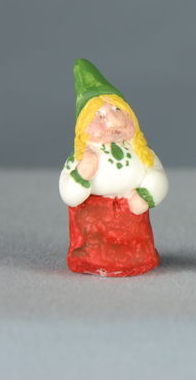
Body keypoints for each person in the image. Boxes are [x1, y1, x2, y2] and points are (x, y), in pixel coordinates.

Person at [59, 59, 168, 277]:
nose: (115, 122)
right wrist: (82, 174)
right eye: (100, 116)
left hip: (131, 214)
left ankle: (140, 259)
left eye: (119, 110)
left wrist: (146, 195)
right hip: (95, 218)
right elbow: (68, 193)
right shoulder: (80, 157)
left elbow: (157, 175)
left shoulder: (141, 152)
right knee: (98, 250)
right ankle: (93, 262)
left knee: (136, 247)